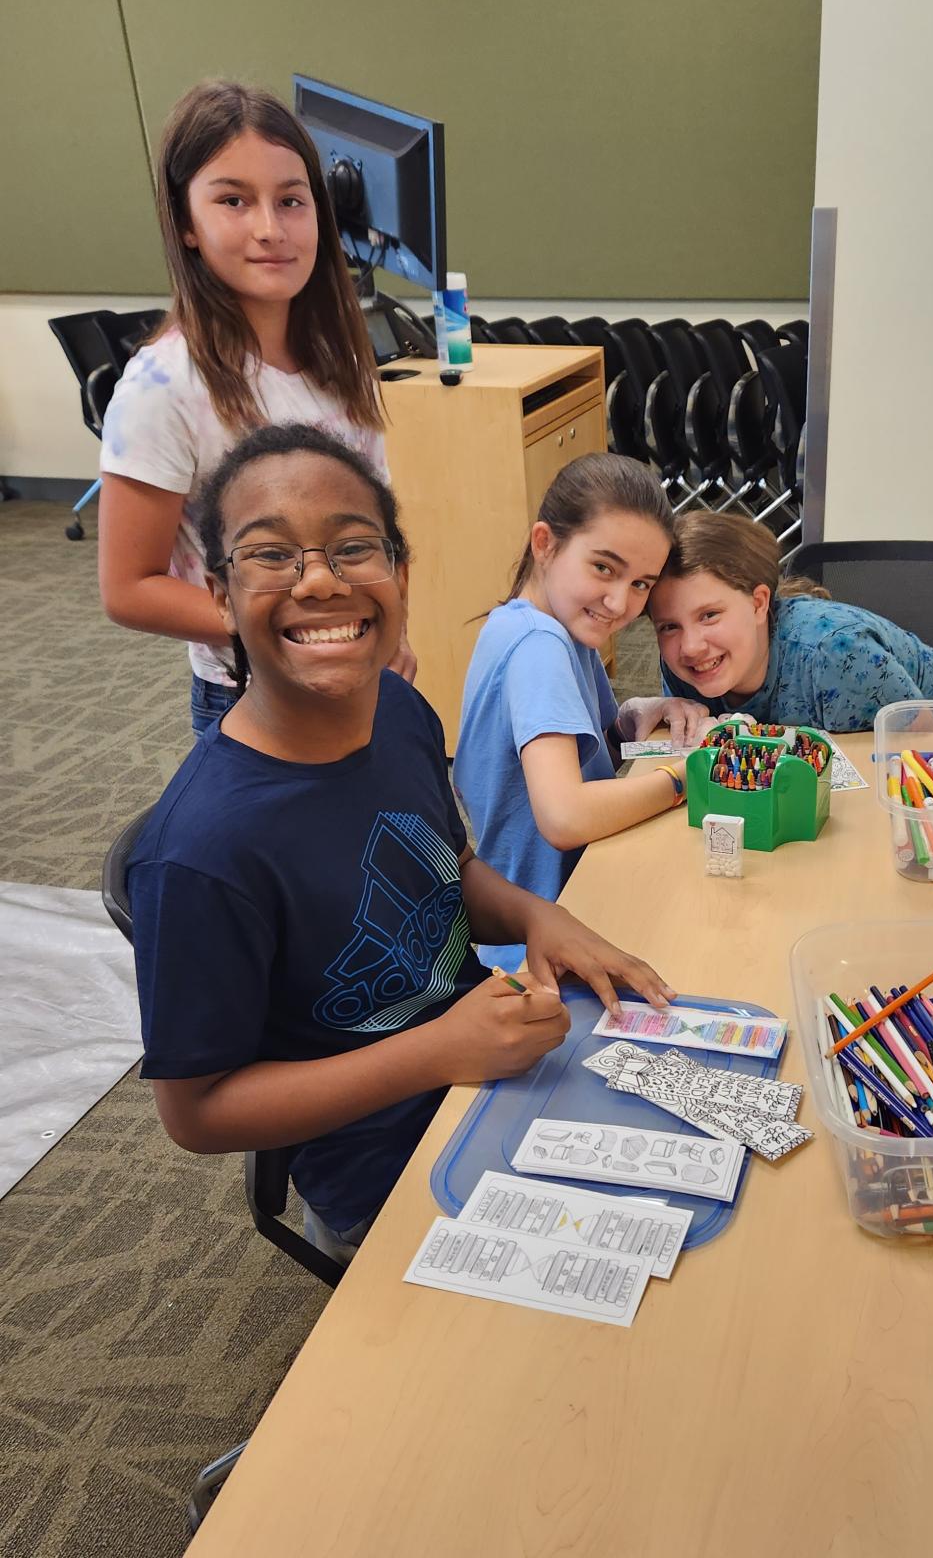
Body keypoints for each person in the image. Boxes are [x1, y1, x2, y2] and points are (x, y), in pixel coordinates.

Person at [127, 422, 674, 1264]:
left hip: (488, 1064)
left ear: (401, 575)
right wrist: (437, 1053)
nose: (320, 580)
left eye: (354, 548)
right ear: (221, 594)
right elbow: (196, 1114)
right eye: (271, 555)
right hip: (380, 1156)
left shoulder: (399, 711)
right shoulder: (202, 852)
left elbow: (449, 867)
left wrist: (538, 918)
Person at [97, 79, 414, 740]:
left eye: (291, 201)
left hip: (355, 670)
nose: (270, 229)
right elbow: (128, 588)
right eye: (233, 201)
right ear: (187, 223)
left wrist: (389, 627)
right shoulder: (164, 385)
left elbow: (375, 529)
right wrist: (288, 619)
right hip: (253, 696)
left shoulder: (339, 358)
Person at [454, 454, 710, 971]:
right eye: (604, 568)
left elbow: (582, 756)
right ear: (544, 544)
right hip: (550, 947)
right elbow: (565, 815)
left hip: (565, 912)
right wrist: (687, 775)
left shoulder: (548, 625)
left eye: (641, 584)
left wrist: (640, 716)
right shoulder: (540, 645)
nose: (619, 603)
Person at [649, 512, 933, 733]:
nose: (691, 646)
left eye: (709, 615)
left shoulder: (834, 652)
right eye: (668, 626)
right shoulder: (684, 661)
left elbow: (925, 752)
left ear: (758, 604)